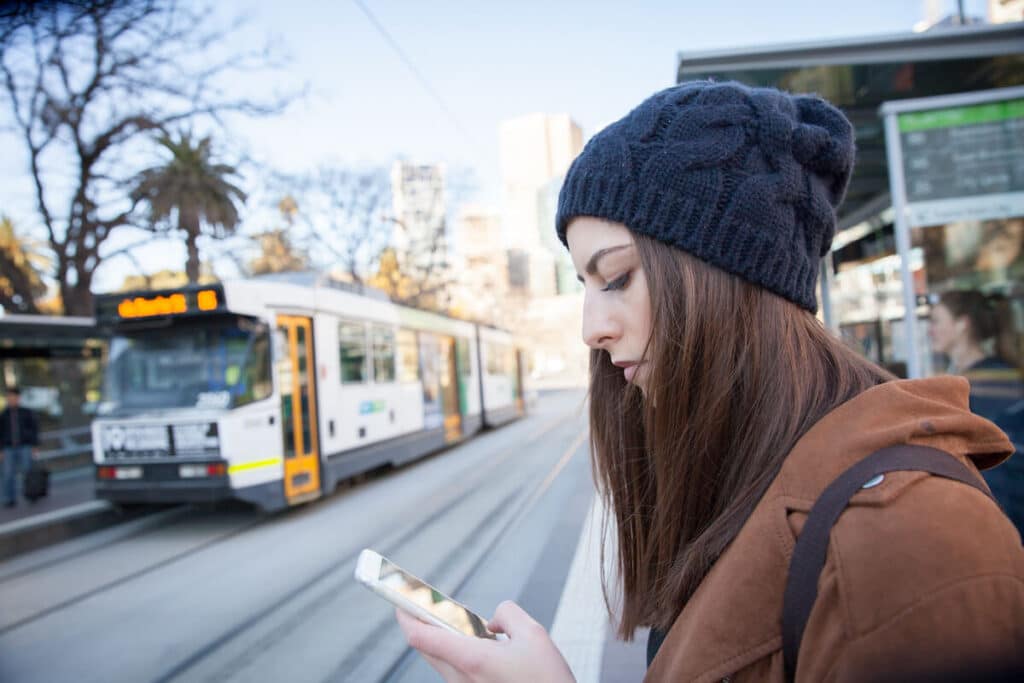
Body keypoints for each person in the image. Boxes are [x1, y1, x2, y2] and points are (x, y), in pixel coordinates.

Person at [397, 81, 1024, 681]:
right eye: (583, 287)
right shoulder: (745, 473)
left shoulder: (912, 541)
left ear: (726, 277)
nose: (591, 328)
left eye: (615, 277)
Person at [930, 290, 1024, 534]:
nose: (931, 329)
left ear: (962, 324)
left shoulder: (986, 383)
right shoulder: (986, 377)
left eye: (937, 320)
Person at [1, 386, 40, 507]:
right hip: (8, 447)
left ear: (18, 398)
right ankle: (9, 499)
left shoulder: (26, 412)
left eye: (14, 397)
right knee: (7, 474)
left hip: (25, 446)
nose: (12, 399)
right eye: (9, 397)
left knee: (28, 472)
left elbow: (34, 429)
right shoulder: (4, 414)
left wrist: (34, 445)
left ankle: (31, 495)